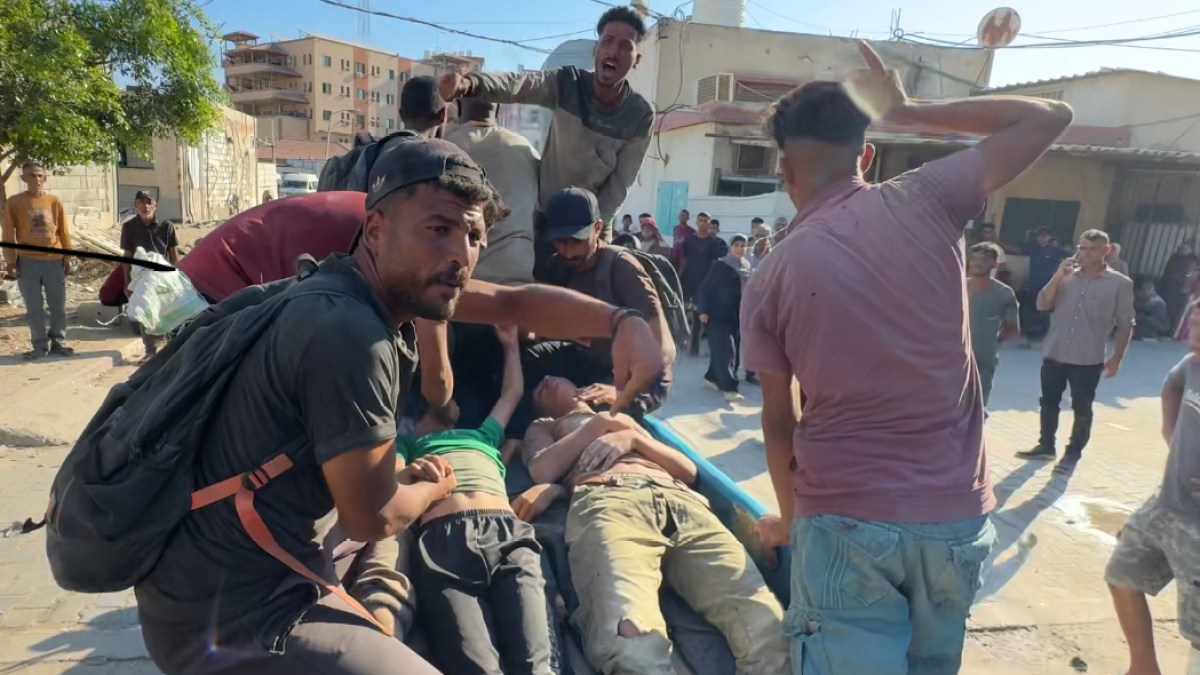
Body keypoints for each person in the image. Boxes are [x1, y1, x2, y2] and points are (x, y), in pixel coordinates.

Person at [132, 138, 666, 675]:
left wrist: (621, 321)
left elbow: (511, 301)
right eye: (438, 228)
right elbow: (374, 516)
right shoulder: (351, 334)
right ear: (375, 229)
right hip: (231, 612)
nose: (460, 253)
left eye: (473, 236)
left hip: (245, 572)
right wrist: (433, 487)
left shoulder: (351, 284)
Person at [741, 42, 1073, 675]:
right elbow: (1050, 116)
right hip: (952, 517)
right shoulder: (927, 196)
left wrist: (789, 520)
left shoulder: (770, 276)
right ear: (866, 156)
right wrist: (910, 108)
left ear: (784, 170)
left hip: (841, 519)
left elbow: (779, 420)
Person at [516, 375, 790, 674]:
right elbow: (543, 469)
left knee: (767, 626)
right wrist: (601, 424)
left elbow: (687, 471)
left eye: (556, 376)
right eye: (538, 387)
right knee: (631, 642)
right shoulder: (546, 425)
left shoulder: (623, 417)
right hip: (609, 500)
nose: (546, 379)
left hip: (682, 503)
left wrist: (632, 438)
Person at [439, 6, 654, 278]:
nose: (613, 51)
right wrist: (470, 83)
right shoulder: (568, 84)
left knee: (590, 294)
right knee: (537, 290)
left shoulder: (640, 115)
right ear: (595, 50)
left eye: (625, 46)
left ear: (636, 60)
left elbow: (620, 185)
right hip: (547, 219)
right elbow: (520, 84)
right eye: (608, 41)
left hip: (593, 225)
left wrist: (590, 230)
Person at [390, 325, 555, 675]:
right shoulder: (405, 445)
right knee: (475, 665)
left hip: (508, 535)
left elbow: (512, 392)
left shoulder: (482, 435)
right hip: (443, 542)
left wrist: (510, 344)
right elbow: (391, 486)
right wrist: (412, 472)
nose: (450, 401)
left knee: (537, 663)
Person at [1106, 303, 1200, 675]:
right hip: (1165, 505)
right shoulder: (1191, 365)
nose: (1193, 332)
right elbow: (1172, 386)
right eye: (1193, 322)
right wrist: (1170, 433)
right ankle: (1143, 668)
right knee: (1122, 573)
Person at [531, 187, 674, 417]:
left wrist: (618, 391)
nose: (568, 252)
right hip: (587, 359)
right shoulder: (558, 265)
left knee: (594, 415)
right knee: (530, 366)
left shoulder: (621, 268)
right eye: (560, 242)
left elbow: (664, 350)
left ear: (597, 228)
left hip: (638, 375)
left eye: (576, 240)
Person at [1018, 229, 1135, 467]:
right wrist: (1058, 276)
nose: (1086, 254)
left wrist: (1117, 358)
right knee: (1048, 401)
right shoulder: (1066, 276)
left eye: (1093, 249)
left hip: (1087, 357)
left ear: (1106, 251)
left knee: (1082, 406)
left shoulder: (1120, 284)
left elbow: (1125, 323)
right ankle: (1045, 446)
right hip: (1055, 351)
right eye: (1082, 248)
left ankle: (1073, 453)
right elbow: (1042, 303)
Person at [445, 97, 539, 286]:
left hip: (458, 277)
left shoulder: (444, 146)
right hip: (515, 275)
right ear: (498, 111)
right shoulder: (525, 148)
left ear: (460, 108)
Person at [2, 162, 74, 359]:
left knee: (57, 306)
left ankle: (58, 342)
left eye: (40, 175)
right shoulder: (14, 203)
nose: (37, 179)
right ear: (24, 178)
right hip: (28, 262)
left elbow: (64, 232)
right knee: (34, 308)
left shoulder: (54, 202)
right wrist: (10, 261)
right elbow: (8, 234)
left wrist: (67, 257)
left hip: (54, 260)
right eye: (32, 175)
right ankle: (40, 346)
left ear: (45, 178)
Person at [119, 190, 179, 360]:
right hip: (141, 277)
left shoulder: (167, 226)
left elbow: (174, 254)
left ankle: (171, 351)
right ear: (135, 205)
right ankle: (150, 351)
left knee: (168, 313)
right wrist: (127, 282)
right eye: (141, 203)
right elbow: (127, 256)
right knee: (146, 313)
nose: (145, 206)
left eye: (148, 202)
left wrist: (178, 277)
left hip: (162, 276)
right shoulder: (129, 227)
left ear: (155, 205)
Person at [699, 234, 751, 401]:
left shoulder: (746, 266)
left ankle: (712, 377)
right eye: (736, 245)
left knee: (724, 349)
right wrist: (703, 310)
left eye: (743, 245)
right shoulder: (720, 265)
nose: (739, 248)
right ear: (730, 247)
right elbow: (705, 289)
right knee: (727, 350)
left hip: (736, 315)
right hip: (717, 314)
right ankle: (729, 388)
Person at [967, 242, 1019, 406]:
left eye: (984, 260)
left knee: (977, 404)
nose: (977, 263)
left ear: (995, 264)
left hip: (983, 361)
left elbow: (1012, 329)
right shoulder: (958, 287)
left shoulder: (1003, 293)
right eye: (974, 259)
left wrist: (991, 344)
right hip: (952, 358)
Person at [678, 212, 728, 357]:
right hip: (690, 282)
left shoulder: (714, 243)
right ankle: (689, 347)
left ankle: (709, 349)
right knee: (690, 315)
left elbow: (716, 264)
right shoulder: (688, 241)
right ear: (696, 222)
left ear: (709, 222)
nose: (703, 223)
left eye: (706, 221)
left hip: (706, 284)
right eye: (700, 220)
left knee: (704, 317)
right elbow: (683, 261)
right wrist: (679, 278)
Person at [1018, 227, 1071, 339]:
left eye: (1044, 236)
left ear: (1049, 237)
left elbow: (1072, 256)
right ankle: (1028, 332)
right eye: (1039, 236)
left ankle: (1042, 334)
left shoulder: (1055, 250)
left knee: (1044, 310)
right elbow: (1018, 250)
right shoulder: (1033, 248)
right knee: (1030, 309)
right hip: (1033, 284)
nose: (1041, 238)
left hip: (1048, 285)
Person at [1161, 240, 1198, 334]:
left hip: (1182, 289)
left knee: (1178, 311)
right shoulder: (1174, 258)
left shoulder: (1191, 260)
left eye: (1186, 248)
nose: (1184, 250)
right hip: (1171, 287)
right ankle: (1167, 328)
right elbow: (1167, 271)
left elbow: (1191, 273)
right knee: (1169, 308)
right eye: (1183, 247)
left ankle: (1173, 329)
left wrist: (1187, 279)